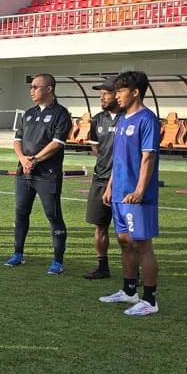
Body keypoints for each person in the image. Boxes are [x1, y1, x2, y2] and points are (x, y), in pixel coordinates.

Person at [99, 71, 162, 316]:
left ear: (135, 92)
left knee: (142, 245)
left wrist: (139, 190)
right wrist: (111, 185)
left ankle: (150, 300)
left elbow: (148, 158)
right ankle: (128, 291)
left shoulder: (147, 119)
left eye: (121, 91)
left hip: (137, 196)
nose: (117, 96)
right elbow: (118, 159)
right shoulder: (123, 119)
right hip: (119, 193)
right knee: (124, 242)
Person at [6, 73, 72, 274]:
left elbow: (56, 144)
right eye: (31, 87)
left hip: (47, 174)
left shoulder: (61, 113)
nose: (31, 90)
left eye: (36, 86)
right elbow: (17, 140)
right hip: (24, 172)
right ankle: (18, 254)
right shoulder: (28, 113)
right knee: (21, 213)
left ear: (49, 88)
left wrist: (34, 160)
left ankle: (58, 261)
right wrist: (23, 159)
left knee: (53, 216)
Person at [84, 78, 121, 280]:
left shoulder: (128, 118)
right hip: (100, 179)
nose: (102, 97)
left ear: (118, 94)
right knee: (100, 226)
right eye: (100, 94)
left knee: (126, 230)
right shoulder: (98, 119)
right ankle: (102, 266)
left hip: (124, 181)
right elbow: (96, 148)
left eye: (105, 93)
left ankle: (135, 270)